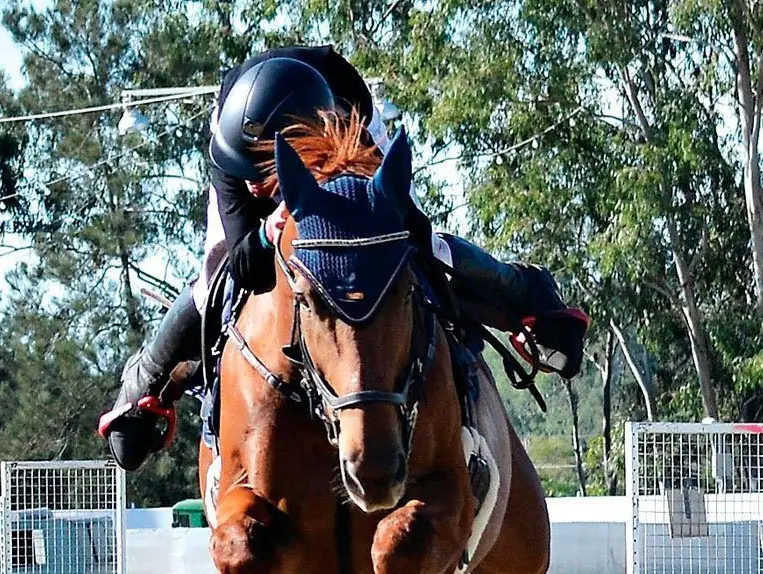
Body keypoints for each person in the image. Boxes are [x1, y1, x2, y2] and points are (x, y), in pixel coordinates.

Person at [99, 45, 589, 471]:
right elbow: (243, 262)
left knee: (415, 243)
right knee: (214, 282)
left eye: (260, 174)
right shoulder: (233, 150)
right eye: (244, 171)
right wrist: (269, 233)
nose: (252, 184)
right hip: (256, 117)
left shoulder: (351, 124)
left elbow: (411, 228)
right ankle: (140, 387)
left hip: (337, 129)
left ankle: (529, 296)